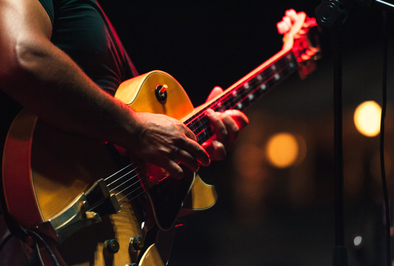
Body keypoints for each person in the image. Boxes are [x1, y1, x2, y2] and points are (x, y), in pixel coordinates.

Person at [0, 0, 248, 265]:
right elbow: (20, 55)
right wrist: (137, 130)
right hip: (25, 222)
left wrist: (186, 152)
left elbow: (129, 173)